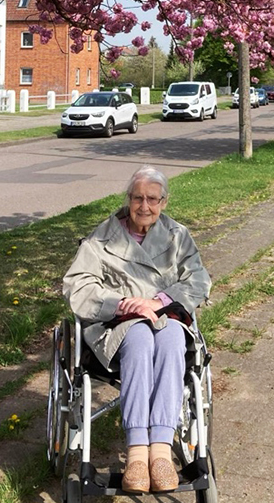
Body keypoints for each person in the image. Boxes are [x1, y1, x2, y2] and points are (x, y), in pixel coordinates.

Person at [63, 166, 212, 494]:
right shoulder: (101, 238)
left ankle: (160, 451)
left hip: (166, 317)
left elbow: (199, 278)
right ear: (127, 199)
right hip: (117, 324)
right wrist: (122, 304)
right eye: (137, 198)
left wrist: (159, 301)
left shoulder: (177, 235)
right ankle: (136, 454)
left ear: (164, 202)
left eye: (152, 199)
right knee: (140, 337)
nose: (145, 206)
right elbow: (77, 286)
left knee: (172, 338)